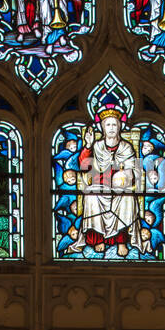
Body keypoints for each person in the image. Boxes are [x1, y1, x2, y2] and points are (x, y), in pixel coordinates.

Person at [66, 106, 140, 256]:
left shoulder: (126, 147)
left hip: (120, 188)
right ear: (103, 127)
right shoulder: (97, 146)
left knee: (127, 199)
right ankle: (97, 239)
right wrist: (88, 146)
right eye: (108, 125)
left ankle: (121, 241)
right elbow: (84, 165)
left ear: (119, 127)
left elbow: (134, 170)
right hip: (99, 186)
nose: (111, 128)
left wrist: (125, 176)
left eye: (114, 124)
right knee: (91, 196)